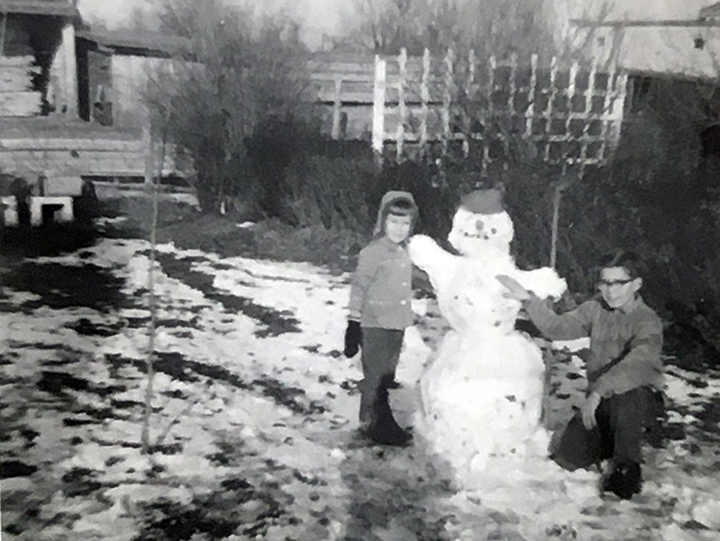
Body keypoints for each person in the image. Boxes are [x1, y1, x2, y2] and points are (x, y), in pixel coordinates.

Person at [498, 250, 665, 499]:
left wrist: (598, 391)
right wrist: (528, 300)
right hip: (601, 402)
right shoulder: (595, 309)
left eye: (619, 283)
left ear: (636, 284)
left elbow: (636, 364)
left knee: (627, 400)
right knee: (568, 456)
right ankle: (608, 441)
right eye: (605, 282)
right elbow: (557, 327)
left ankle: (627, 468)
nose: (611, 290)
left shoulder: (647, 321)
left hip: (638, 402)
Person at [343, 191, 419, 446]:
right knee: (374, 375)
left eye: (405, 223)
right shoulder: (373, 252)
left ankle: (378, 418)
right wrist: (354, 323)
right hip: (374, 323)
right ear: (383, 222)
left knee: (387, 374)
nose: (399, 229)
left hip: (397, 324)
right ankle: (374, 424)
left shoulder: (408, 251)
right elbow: (359, 287)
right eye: (394, 222)